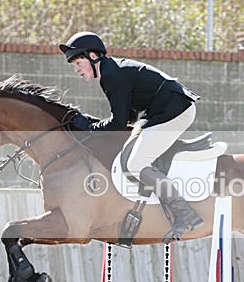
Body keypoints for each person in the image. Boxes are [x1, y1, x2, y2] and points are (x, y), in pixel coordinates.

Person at [59, 31, 203, 242]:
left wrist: (89, 127)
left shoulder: (111, 75)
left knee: (136, 163)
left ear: (93, 56)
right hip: (164, 110)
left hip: (175, 110)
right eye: (74, 66)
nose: (77, 70)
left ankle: (184, 213)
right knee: (129, 151)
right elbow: (127, 117)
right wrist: (93, 125)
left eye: (79, 63)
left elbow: (118, 123)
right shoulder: (112, 70)